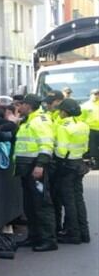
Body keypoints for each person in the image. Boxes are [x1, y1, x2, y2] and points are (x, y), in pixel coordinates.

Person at [14, 94, 57, 252]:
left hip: (35, 167)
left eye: (22, 104)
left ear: (29, 105)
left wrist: (40, 165)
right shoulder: (29, 120)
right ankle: (34, 236)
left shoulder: (39, 120)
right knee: (30, 205)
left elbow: (46, 144)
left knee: (41, 204)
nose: (19, 107)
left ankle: (48, 240)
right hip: (27, 168)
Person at [52, 99, 90, 244]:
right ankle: (84, 233)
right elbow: (85, 148)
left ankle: (73, 234)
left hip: (66, 166)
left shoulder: (63, 127)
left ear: (64, 112)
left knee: (68, 201)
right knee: (78, 199)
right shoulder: (83, 125)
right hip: (78, 163)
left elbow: (61, 151)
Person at [82, 89, 99, 167]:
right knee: (93, 148)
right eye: (95, 94)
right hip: (91, 129)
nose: (96, 96)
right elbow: (81, 118)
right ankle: (96, 163)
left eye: (98, 94)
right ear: (91, 95)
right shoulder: (85, 106)